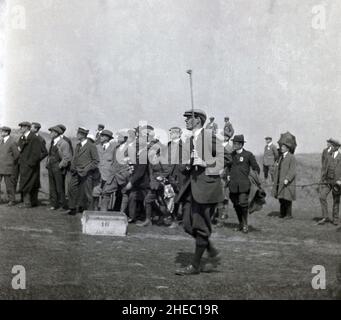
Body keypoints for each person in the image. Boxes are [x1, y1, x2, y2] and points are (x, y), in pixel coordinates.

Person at [175, 109, 224, 276]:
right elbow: (182, 165)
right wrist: (188, 164)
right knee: (188, 226)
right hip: (191, 187)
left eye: (189, 118)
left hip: (206, 187)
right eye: (187, 118)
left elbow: (225, 159)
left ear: (198, 120)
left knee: (200, 225)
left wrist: (206, 163)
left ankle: (195, 266)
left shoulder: (209, 137)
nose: (186, 121)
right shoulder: (189, 140)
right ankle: (211, 250)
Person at [228, 135, 260, 233]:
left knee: (243, 203)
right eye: (234, 143)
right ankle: (240, 224)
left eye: (237, 144)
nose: (234, 145)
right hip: (233, 185)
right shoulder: (231, 155)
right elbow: (228, 167)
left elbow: (256, 168)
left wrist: (253, 176)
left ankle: (245, 224)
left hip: (244, 185)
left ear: (241, 144)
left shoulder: (248, 155)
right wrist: (228, 175)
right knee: (236, 205)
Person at [66, 127, 99, 215]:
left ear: (83, 135)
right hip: (76, 171)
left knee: (87, 194)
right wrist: (72, 167)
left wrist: (86, 169)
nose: (77, 135)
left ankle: (89, 213)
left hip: (87, 174)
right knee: (71, 188)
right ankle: (73, 208)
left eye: (78, 134)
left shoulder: (91, 146)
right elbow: (75, 158)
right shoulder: (78, 145)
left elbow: (96, 161)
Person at [17, 122, 42, 208]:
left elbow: (37, 152)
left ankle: (27, 203)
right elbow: (19, 149)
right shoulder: (22, 137)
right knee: (26, 182)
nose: (20, 128)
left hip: (29, 165)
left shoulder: (34, 137)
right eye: (20, 127)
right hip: (24, 164)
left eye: (22, 127)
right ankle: (29, 202)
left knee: (28, 183)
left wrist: (30, 163)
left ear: (27, 127)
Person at [47, 126, 72, 210]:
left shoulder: (64, 143)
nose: (50, 133)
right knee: (52, 186)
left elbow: (67, 158)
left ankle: (62, 205)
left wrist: (59, 166)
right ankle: (54, 204)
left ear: (56, 133)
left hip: (58, 167)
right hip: (51, 167)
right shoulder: (53, 142)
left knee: (59, 187)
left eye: (51, 132)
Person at [318, 138, 341, 226]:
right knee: (322, 196)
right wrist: (321, 180)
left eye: (332, 146)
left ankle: (335, 219)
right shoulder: (328, 156)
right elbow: (324, 170)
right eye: (330, 145)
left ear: (336, 147)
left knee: (336, 200)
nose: (330, 147)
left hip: (337, 184)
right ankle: (325, 217)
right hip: (327, 182)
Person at [272, 143, 296, 219]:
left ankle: (289, 215)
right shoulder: (280, 157)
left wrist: (288, 179)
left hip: (287, 182)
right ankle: (282, 213)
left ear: (288, 148)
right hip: (280, 180)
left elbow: (292, 170)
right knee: (281, 197)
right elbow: (277, 169)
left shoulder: (291, 157)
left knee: (287, 198)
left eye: (283, 147)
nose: (281, 148)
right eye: (281, 146)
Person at [0, 126, 20, 206]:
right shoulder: (1, 141)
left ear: (7, 132)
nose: (1, 133)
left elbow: (17, 155)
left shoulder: (12, 142)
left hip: (8, 167)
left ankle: (12, 200)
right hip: (0, 166)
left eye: (2, 131)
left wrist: (10, 163)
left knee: (9, 185)